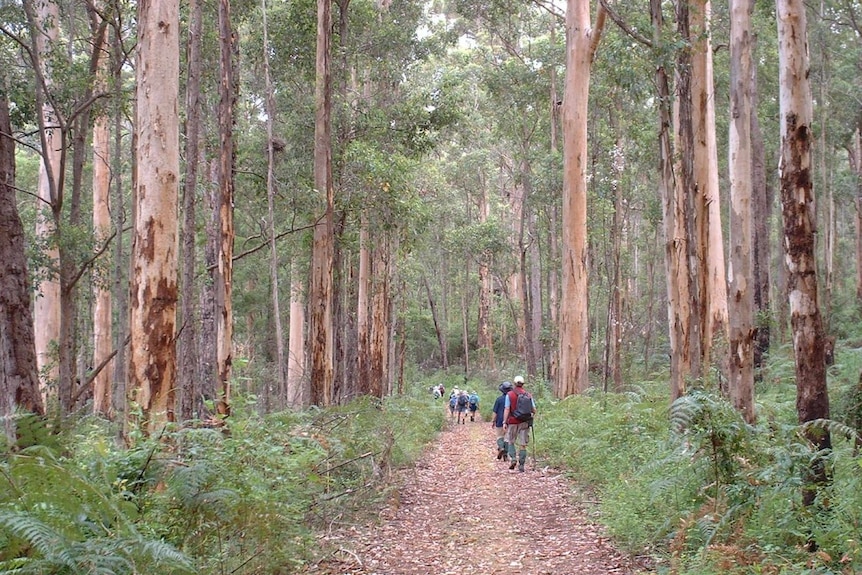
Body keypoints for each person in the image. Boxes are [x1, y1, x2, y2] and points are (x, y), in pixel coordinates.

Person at [502, 375, 535, 472]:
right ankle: (521, 465)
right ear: (523, 384)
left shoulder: (510, 394)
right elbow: (534, 409)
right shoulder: (528, 395)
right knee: (523, 444)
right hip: (524, 422)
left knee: (511, 441)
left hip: (513, 422)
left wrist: (505, 421)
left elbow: (507, 409)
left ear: (514, 383)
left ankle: (513, 459)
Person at [492, 382, 512, 461]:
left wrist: (493, 421)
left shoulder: (499, 399)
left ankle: (501, 447)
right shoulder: (512, 399)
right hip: (510, 421)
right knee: (507, 438)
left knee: (500, 436)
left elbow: (495, 411)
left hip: (500, 421)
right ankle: (505, 455)